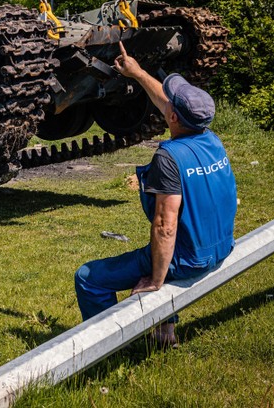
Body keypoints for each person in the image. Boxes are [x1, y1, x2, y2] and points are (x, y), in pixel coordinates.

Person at [74, 41, 238, 346]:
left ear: (174, 118)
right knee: (171, 245)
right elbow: (166, 102)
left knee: (88, 278)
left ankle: (111, 346)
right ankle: (166, 330)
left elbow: (165, 226)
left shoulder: (169, 157)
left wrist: (157, 281)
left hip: (188, 259)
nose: (167, 104)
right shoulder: (211, 139)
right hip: (220, 246)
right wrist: (136, 72)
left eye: (170, 106)